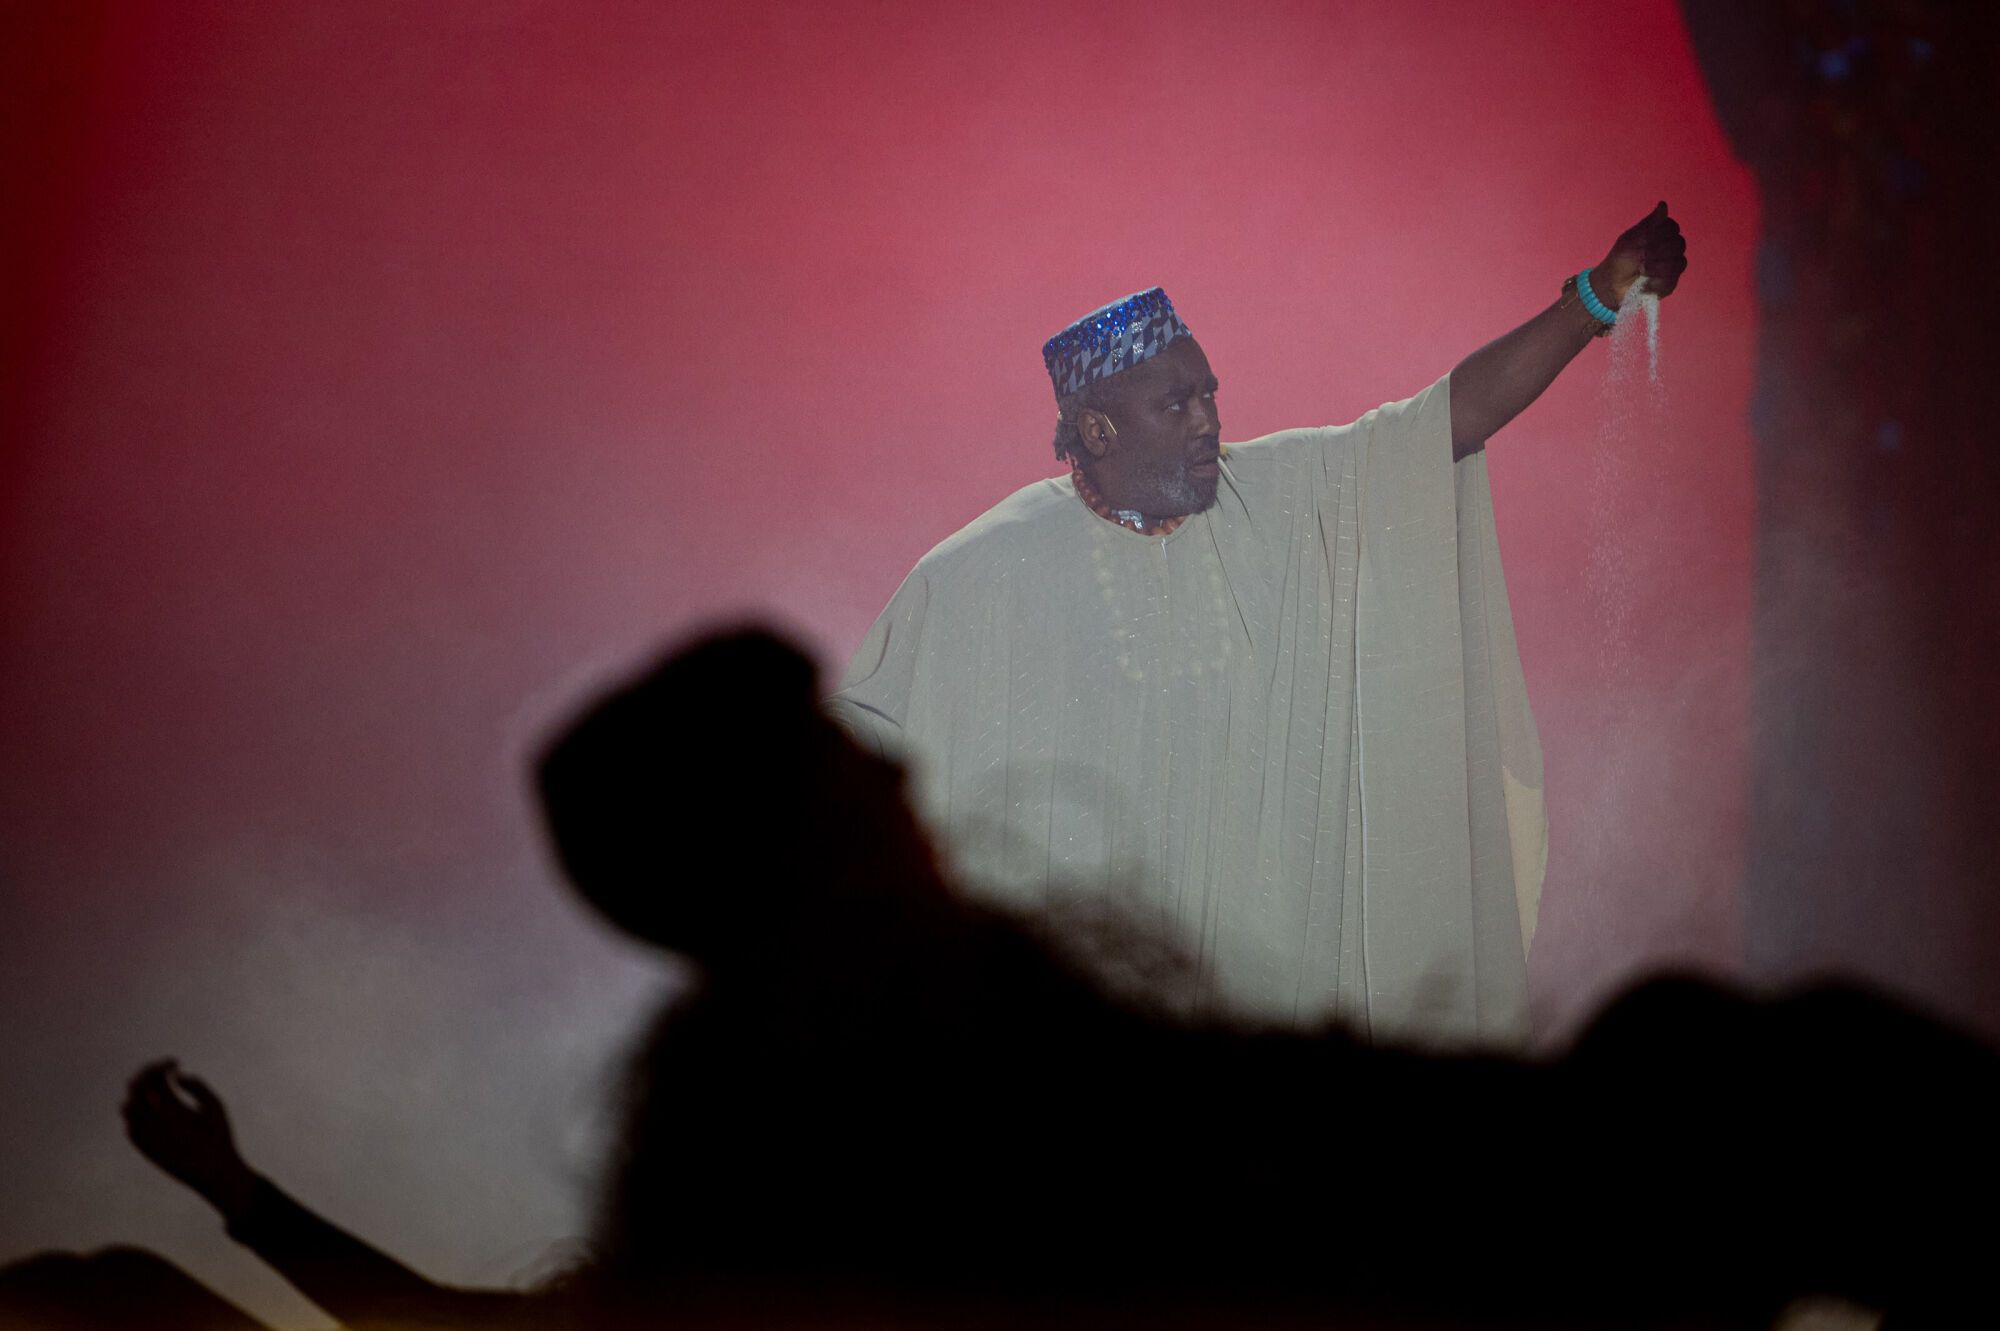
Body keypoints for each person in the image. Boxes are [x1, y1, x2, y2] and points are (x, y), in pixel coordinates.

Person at [7, 629, 1994, 1331]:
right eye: (835, 761)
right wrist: (237, 1214)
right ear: (775, 842)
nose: (896, 778)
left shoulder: (898, 1048)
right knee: (1761, 1082)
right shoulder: (805, 1133)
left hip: (1469, 1239)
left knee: (1729, 1075)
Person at [830, 207, 1689, 1047]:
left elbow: (1444, 422)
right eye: (1176, 404)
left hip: (1263, 1027)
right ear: (1097, 429)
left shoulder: (1279, 498)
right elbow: (855, 758)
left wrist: (1595, 296)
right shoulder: (988, 569)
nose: (1208, 421)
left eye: (1209, 394)